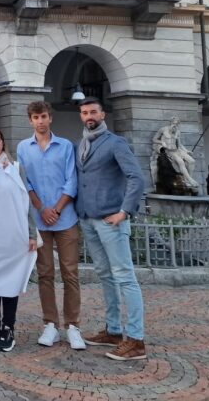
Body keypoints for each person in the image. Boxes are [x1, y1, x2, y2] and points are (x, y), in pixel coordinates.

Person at [75, 98, 147, 361]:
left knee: (125, 277)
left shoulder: (115, 143)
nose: (89, 116)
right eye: (84, 112)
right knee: (105, 274)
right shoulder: (81, 144)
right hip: (89, 219)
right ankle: (113, 330)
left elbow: (136, 177)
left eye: (93, 111)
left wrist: (124, 211)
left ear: (102, 114)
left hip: (111, 219)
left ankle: (136, 340)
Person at [16, 101, 84, 351]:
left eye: (44, 116)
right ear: (30, 120)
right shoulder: (23, 148)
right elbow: (26, 183)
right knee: (45, 274)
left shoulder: (65, 146)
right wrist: (41, 209)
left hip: (65, 217)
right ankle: (51, 324)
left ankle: (73, 325)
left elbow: (71, 181)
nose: (40, 121)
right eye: (36, 117)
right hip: (40, 219)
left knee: (70, 273)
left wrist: (55, 208)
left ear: (50, 118)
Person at [0, 125, 38, 352]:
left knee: (10, 282)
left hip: (13, 234)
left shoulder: (15, 168)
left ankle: (8, 327)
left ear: (3, 142)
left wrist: (32, 233)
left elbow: (26, 202)